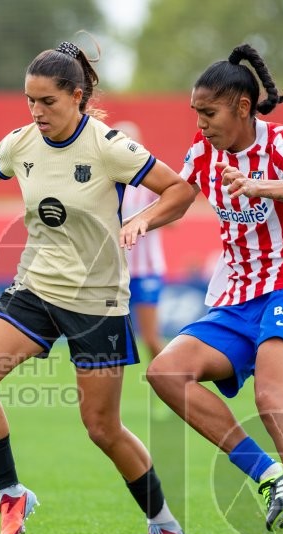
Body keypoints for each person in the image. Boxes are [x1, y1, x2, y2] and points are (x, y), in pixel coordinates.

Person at [0, 40, 196, 534]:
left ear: (77, 97)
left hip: (96, 299)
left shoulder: (108, 146)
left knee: (101, 428)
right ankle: (13, 495)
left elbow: (180, 190)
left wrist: (141, 219)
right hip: (34, 287)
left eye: (47, 102)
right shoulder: (22, 142)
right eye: (29, 101)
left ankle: (164, 525)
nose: (37, 112)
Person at [121, 43, 283, 534]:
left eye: (208, 113)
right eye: (196, 113)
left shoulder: (280, 142)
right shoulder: (202, 153)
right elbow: (180, 197)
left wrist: (258, 183)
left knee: (273, 398)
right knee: (165, 373)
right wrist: (141, 221)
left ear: (242, 108)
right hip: (235, 296)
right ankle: (267, 475)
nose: (201, 123)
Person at [113, 120, 168, 358]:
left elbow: (174, 218)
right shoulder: (106, 183)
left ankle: (173, 386)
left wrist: (144, 219)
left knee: (151, 340)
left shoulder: (150, 183)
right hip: (113, 273)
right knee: (112, 341)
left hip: (145, 270)